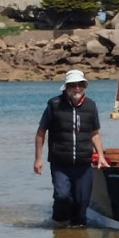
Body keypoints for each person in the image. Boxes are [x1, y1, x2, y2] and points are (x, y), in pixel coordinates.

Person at [34, 69, 106, 228]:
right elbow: (41, 132)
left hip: (83, 163)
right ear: (66, 87)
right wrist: (38, 159)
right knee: (62, 196)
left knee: (82, 203)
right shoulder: (54, 105)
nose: (77, 88)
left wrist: (100, 156)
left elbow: (95, 133)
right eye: (73, 85)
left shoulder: (91, 106)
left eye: (80, 85)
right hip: (60, 163)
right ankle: (59, 224)